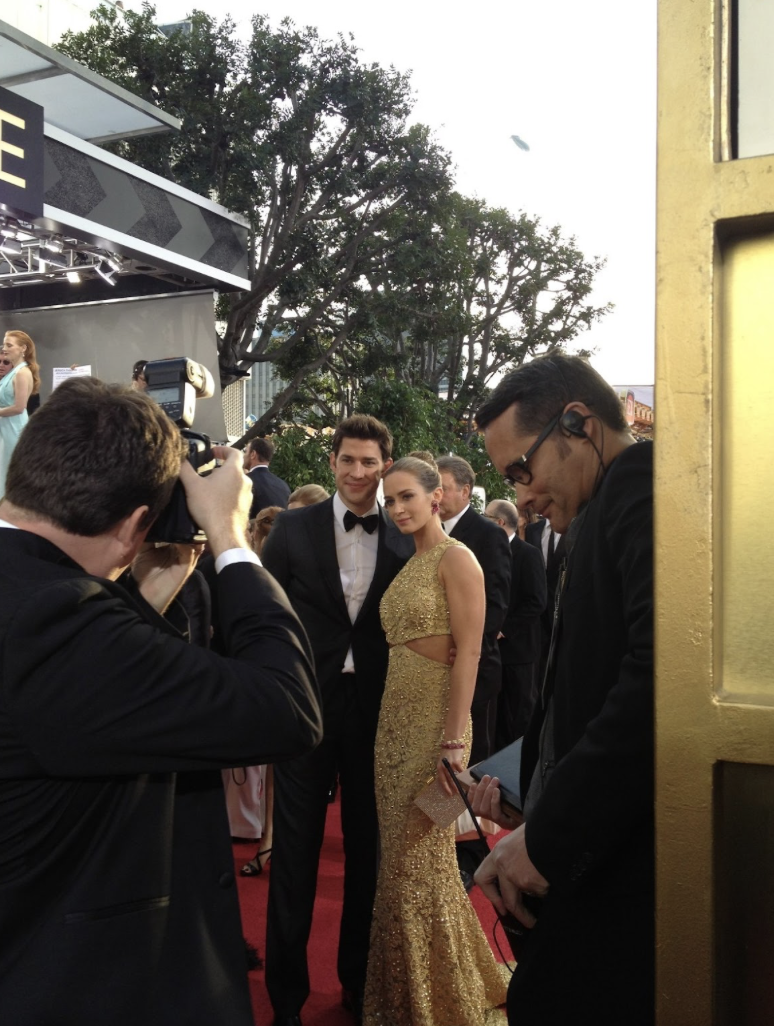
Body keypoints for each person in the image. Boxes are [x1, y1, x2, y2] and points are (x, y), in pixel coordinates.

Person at [0, 376, 322, 1026]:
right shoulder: (56, 625)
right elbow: (287, 706)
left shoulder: (37, 600)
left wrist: (145, 576)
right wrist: (231, 541)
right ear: (135, 526)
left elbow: (89, 704)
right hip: (74, 985)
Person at [471, 354, 654, 1026]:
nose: (520, 496)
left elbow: (655, 680)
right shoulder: (601, 509)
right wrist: (528, 794)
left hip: (620, 877)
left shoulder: (638, 481)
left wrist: (547, 835)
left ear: (578, 423)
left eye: (522, 470)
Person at [262, 414, 413, 1026]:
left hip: (377, 709)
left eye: (370, 463)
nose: (358, 473)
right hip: (306, 706)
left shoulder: (407, 534)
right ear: (331, 462)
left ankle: (358, 980)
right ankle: (286, 1000)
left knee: (365, 851)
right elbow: (262, 614)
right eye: (348, 460)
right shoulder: (292, 529)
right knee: (294, 856)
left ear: (385, 466)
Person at [363, 455, 508, 1026]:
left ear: (436, 498)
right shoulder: (410, 563)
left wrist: (453, 742)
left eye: (407, 497)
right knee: (405, 866)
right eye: (389, 500)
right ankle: (416, 991)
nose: (398, 509)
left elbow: (469, 651)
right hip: (391, 730)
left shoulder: (458, 558)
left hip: (440, 732)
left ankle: (435, 999)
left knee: (420, 862)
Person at [484, 499, 547, 748]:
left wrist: (503, 629)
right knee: (495, 718)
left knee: (519, 715)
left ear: (500, 522)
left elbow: (537, 601)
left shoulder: (528, 553)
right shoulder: (487, 552)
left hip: (519, 651)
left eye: (486, 516)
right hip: (492, 652)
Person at [0, 330, 40, 494]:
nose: (5, 348)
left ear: (23, 348)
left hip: (14, 427)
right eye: (4, 344)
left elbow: (19, 406)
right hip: (6, 425)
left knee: (11, 470)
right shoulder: (13, 372)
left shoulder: (22, 372)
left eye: (9, 345)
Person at [243, 437, 291, 516]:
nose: (243, 456)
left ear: (253, 454)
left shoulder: (245, 481)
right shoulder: (283, 485)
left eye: (245, 451)